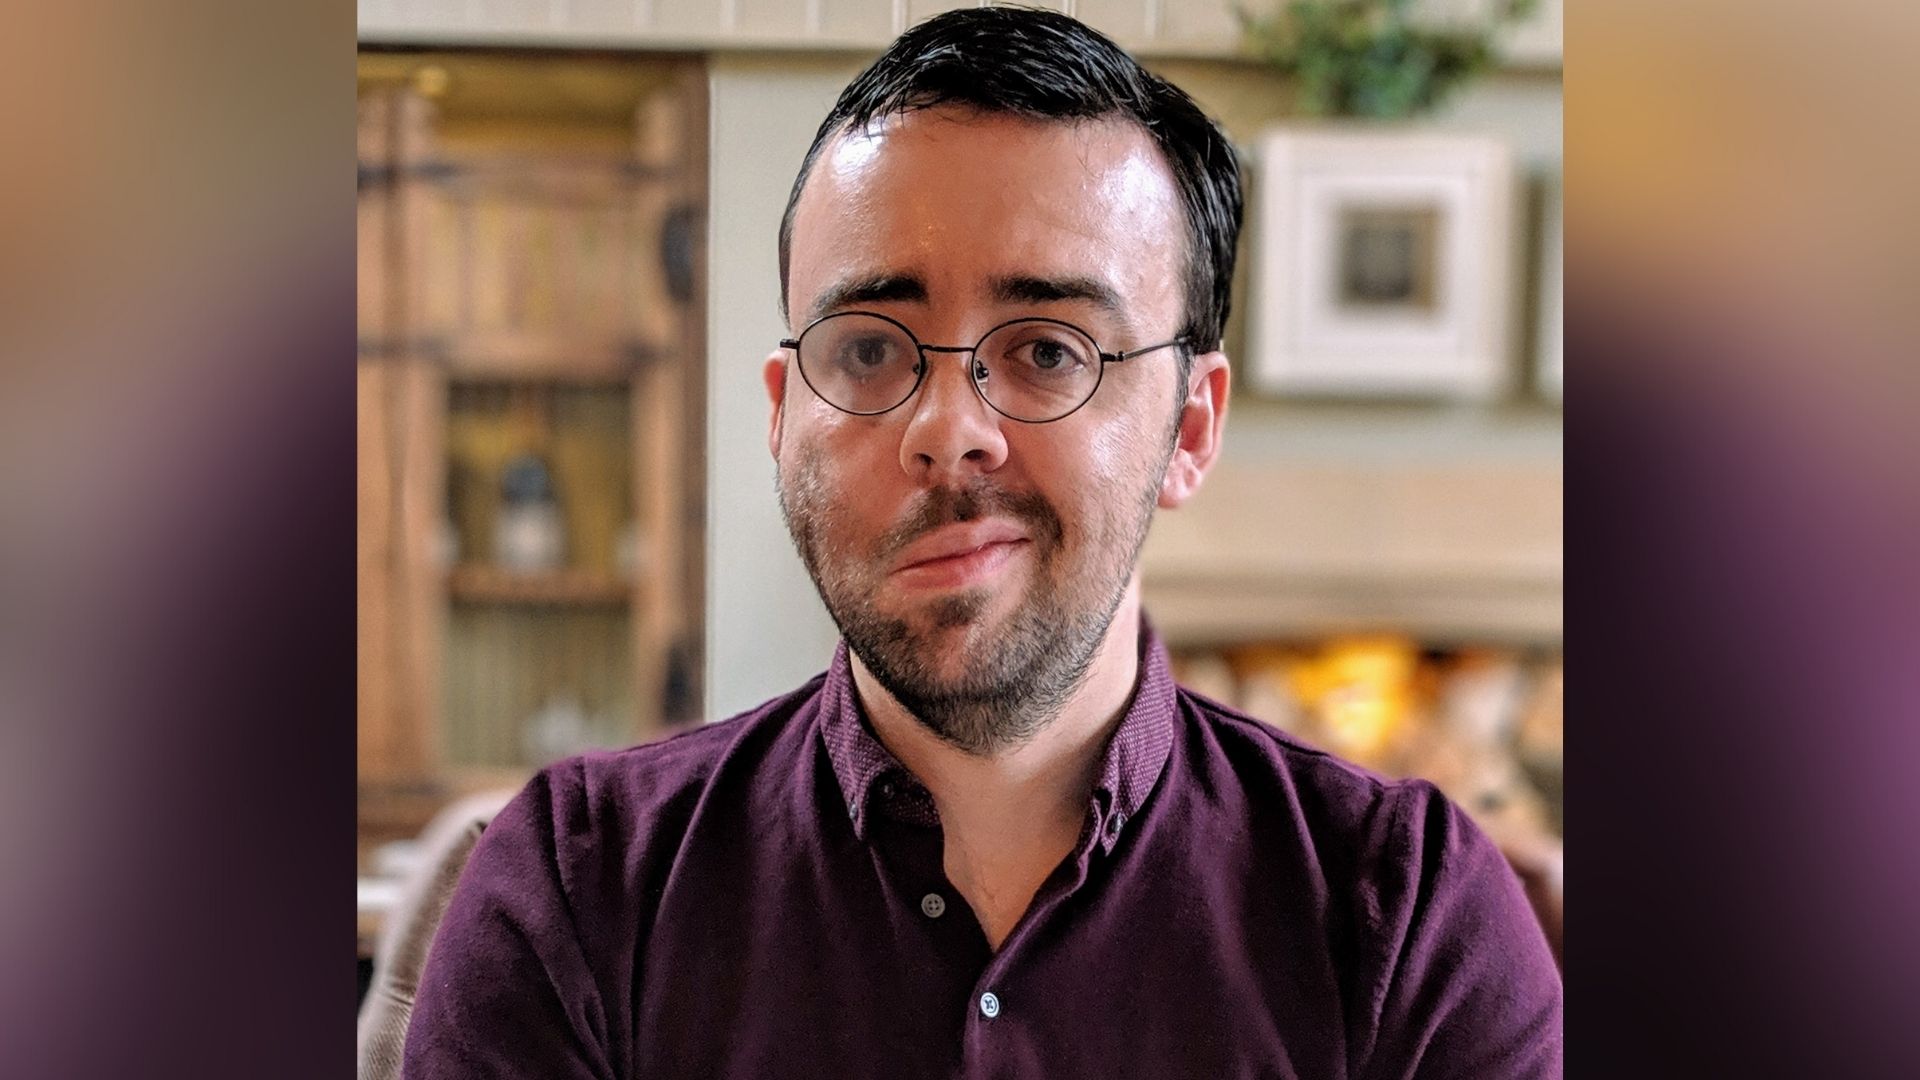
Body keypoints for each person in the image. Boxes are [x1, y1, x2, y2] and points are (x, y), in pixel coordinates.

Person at [402, 8, 1563, 1078]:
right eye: (867, 350)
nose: (946, 432)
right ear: (780, 412)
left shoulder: (1408, 915)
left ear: (1191, 428)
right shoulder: (576, 891)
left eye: (1049, 350)